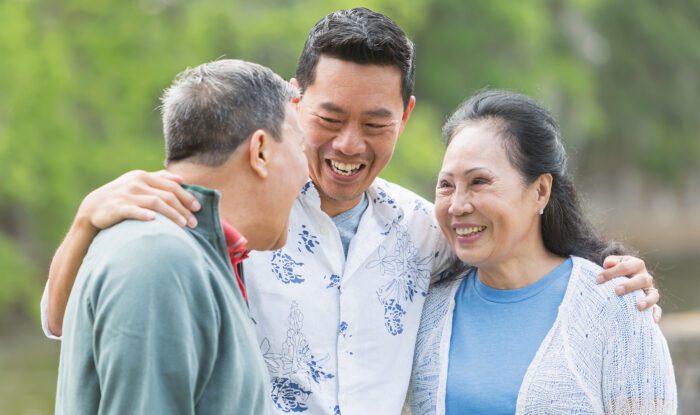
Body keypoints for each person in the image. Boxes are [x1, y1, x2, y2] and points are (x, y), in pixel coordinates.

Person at [42, 8, 660, 415]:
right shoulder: (238, 212)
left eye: (375, 124)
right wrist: (85, 222)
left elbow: (509, 242)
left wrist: (606, 272)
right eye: (330, 119)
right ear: (294, 100)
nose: (348, 146)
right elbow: (75, 323)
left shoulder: (426, 229)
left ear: (406, 118)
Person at [54, 59, 308, 414]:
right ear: (261, 151)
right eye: (300, 146)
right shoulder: (159, 258)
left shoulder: (189, 252)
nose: (306, 172)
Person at [410, 90, 676, 414]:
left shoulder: (614, 306)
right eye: (446, 185)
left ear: (540, 190)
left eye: (479, 181)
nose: (458, 205)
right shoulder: (425, 308)